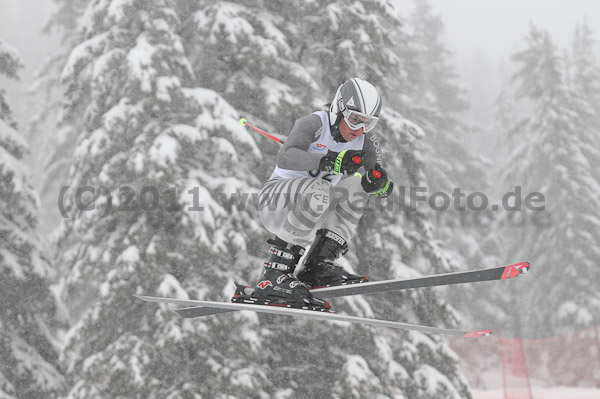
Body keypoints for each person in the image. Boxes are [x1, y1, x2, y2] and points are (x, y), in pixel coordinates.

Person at [232, 78, 393, 311]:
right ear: (339, 108)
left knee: (356, 187)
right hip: (276, 203)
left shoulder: (365, 140)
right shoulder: (314, 123)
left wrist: (378, 183)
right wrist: (330, 160)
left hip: (312, 211)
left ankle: (317, 264)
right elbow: (285, 156)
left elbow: (381, 185)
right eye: (354, 119)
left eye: (367, 123)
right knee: (321, 188)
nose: (358, 129)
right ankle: (275, 273)